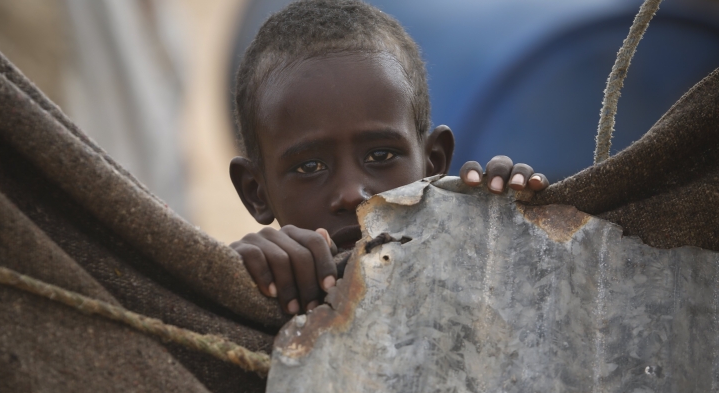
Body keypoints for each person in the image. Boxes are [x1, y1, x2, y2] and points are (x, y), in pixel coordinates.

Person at [228, 0, 548, 316]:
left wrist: (514, 232)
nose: (352, 193)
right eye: (309, 167)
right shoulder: (249, 307)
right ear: (256, 192)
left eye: (380, 155)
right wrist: (228, 282)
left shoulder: (484, 275)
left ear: (433, 162)